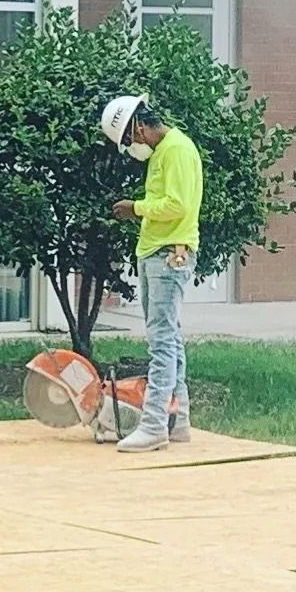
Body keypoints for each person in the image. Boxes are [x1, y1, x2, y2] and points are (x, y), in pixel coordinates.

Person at [102, 93, 204, 452]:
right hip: (159, 252)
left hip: (167, 254)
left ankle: (155, 424)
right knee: (170, 338)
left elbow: (178, 204)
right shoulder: (167, 151)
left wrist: (136, 208)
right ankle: (179, 421)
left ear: (140, 127)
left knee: (161, 342)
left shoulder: (175, 150)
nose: (131, 147)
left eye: (129, 139)